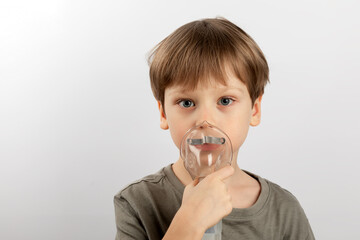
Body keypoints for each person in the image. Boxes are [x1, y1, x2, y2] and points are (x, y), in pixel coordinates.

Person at [114, 17, 315, 240]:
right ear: (163, 114)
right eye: (187, 103)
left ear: (254, 110)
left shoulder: (283, 211)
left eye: (225, 101)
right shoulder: (138, 201)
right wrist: (189, 221)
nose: (205, 120)